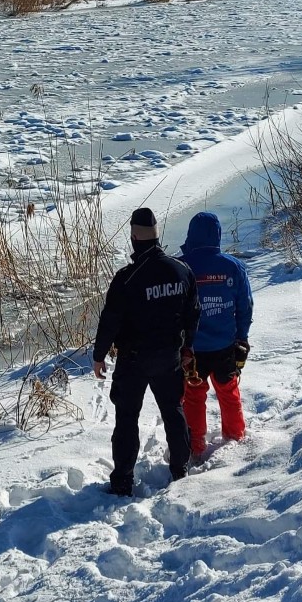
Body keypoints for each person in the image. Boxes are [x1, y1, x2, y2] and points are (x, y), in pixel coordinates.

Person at [93, 207, 201, 496]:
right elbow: (194, 313)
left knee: (127, 419)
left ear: (134, 238)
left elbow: (110, 320)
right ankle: (180, 468)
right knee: (173, 411)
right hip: (170, 356)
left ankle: (123, 480)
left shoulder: (127, 278)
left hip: (134, 360)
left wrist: (98, 355)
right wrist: (188, 347)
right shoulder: (181, 270)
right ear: (156, 236)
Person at [179, 211, 253, 461]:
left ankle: (195, 445)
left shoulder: (181, 266)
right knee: (228, 391)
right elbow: (245, 306)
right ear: (218, 235)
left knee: (193, 396)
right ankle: (235, 437)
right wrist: (242, 337)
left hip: (193, 350)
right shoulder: (233, 267)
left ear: (191, 235)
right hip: (225, 345)